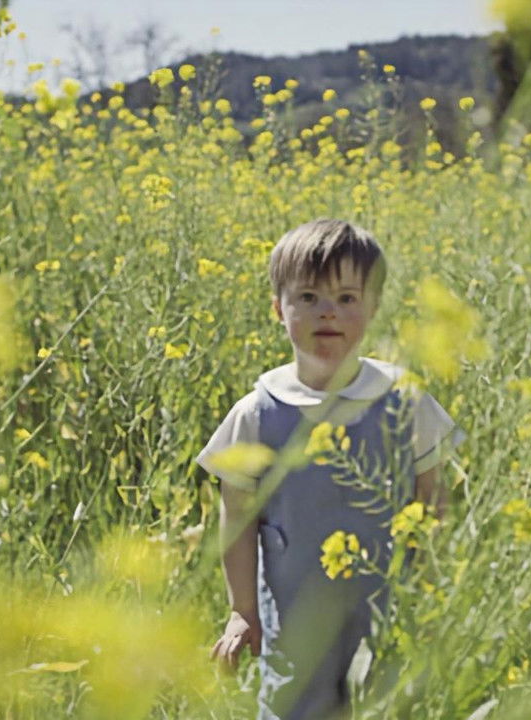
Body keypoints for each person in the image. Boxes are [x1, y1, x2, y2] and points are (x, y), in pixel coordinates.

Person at [197, 218, 464, 720]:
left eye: (346, 298)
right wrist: (242, 611)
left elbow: (433, 501)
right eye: (308, 297)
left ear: (374, 307)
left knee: (390, 706)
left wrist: (432, 592)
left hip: (392, 611)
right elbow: (237, 517)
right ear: (278, 309)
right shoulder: (258, 412)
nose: (328, 312)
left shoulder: (404, 400)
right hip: (294, 618)